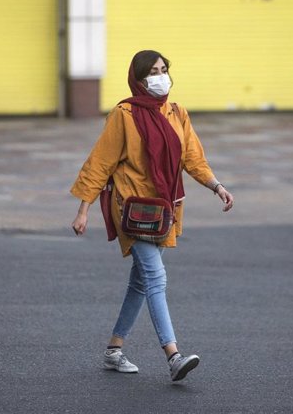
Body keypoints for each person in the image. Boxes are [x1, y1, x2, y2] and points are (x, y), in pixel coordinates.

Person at [70, 50, 234, 382]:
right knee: (156, 277)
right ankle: (173, 356)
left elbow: (193, 157)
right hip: (131, 207)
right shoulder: (124, 114)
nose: (160, 77)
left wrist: (216, 186)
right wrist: (84, 207)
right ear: (139, 79)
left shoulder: (177, 113)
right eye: (153, 72)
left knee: (141, 281)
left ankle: (114, 350)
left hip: (164, 208)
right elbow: (100, 161)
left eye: (164, 70)